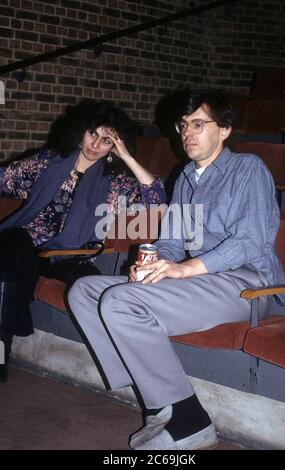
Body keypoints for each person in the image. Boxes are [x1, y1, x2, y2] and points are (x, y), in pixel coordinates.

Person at [67, 90, 285, 450]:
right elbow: (170, 240)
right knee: (85, 291)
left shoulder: (248, 168)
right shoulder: (184, 177)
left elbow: (251, 241)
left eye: (199, 124)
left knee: (120, 303)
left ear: (225, 129)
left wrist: (185, 269)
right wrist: (152, 262)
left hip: (245, 285)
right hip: (201, 282)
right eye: (183, 125)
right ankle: (154, 396)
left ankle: (189, 420)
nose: (187, 132)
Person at [0, 99, 166, 382]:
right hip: (25, 247)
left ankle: (127, 369)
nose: (95, 145)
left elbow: (158, 200)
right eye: (92, 133)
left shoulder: (115, 183)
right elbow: (4, 178)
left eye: (106, 141)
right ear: (80, 130)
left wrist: (126, 157)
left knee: (91, 283)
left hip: (70, 255)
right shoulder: (47, 162)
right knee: (12, 247)